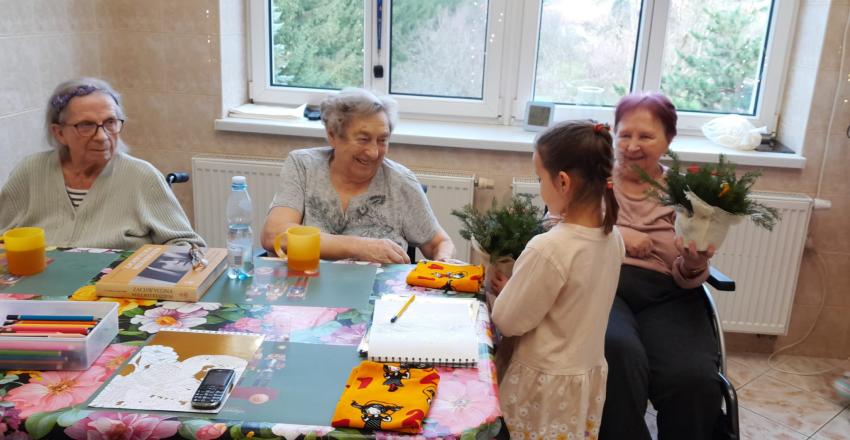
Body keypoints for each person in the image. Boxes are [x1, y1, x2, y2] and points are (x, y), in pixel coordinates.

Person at [491, 121, 624, 439]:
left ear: (563, 182)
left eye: (540, 178)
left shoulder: (549, 248)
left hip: (543, 387)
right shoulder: (613, 238)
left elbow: (507, 320)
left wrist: (510, 290)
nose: (540, 186)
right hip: (581, 380)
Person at [599, 92, 719, 439]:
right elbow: (555, 227)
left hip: (669, 295)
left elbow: (689, 272)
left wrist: (694, 263)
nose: (632, 145)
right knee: (618, 351)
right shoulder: (594, 179)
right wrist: (618, 235)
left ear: (669, 139)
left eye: (646, 136)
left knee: (694, 377)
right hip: (604, 285)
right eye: (625, 134)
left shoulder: (685, 192)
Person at [0, 77, 205, 250]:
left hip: (119, 285)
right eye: (86, 125)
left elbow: (188, 246)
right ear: (59, 133)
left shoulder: (142, 176)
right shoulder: (30, 172)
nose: (102, 136)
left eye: (110, 122)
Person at [261, 88, 454, 264]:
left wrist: (443, 260)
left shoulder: (401, 182)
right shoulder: (303, 166)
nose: (373, 152)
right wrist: (360, 247)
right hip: (304, 285)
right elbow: (274, 236)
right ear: (332, 136)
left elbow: (439, 243)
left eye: (382, 140)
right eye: (363, 139)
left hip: (377, 290)